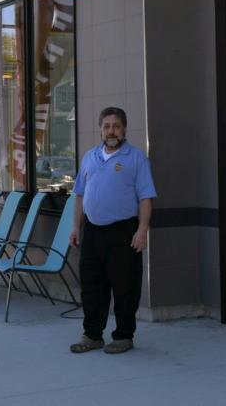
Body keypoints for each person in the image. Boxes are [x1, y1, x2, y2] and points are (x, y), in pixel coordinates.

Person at [68, 107, 156, 354]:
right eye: (106, 126)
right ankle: (92, 335)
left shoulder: (136, 157)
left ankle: (123, 336)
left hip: (123, 232)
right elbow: (79, 196)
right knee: (92, 286)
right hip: (93, 232)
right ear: (101, 130)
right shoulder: (90, 157)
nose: (111, 131)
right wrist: (76, 227)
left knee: (125, 286)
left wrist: (142, 231)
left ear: (124, 129)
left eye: (116, 126)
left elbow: (146, 198)